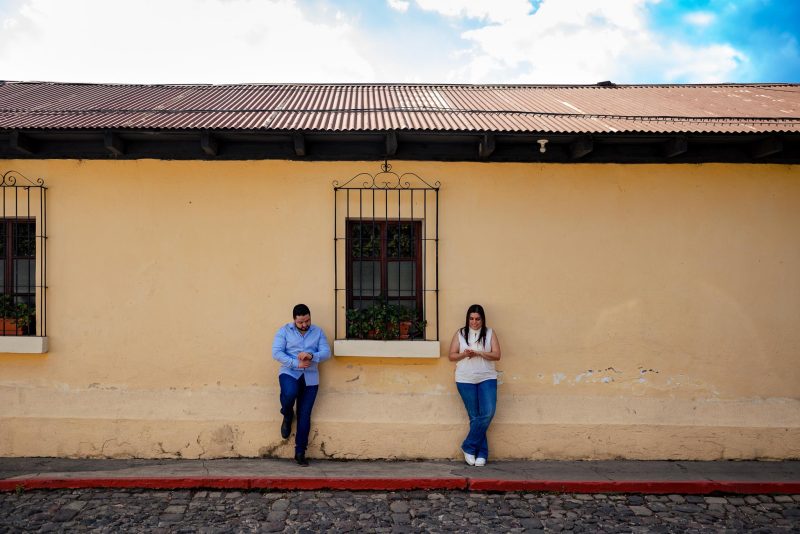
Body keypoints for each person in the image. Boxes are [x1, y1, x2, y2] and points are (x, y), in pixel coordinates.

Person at [272, 303, 331, 466]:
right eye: (301, 322)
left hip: (311, 377)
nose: (305, 325)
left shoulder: (318, 332)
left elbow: (326, 352)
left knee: (305, 414)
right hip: (289, 372)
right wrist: (295, 363)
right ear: (294, 320)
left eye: (307, 321)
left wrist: (312, 355)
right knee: (289, 393)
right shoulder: (284, 331)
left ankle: (300, 452)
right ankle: (287, 413)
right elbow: (276, 352)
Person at [448, 304, 502, 466]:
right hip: (465, 379)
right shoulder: (461, 333)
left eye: (477, 319)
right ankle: (482, 454)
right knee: (475, 417)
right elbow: (451, 356)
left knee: (488, 413)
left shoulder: (490, 333)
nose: (474, 322)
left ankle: (468, 446)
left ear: (482, 319)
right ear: (468, 319)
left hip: (487, 377)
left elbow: (497, 355)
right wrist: (464, 354)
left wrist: (478, 352)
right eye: (471, 319)